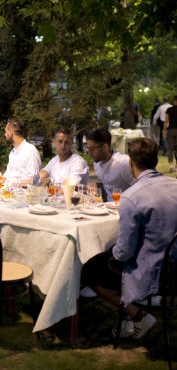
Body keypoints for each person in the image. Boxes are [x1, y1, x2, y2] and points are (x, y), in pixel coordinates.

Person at [82, 137, 177, 339]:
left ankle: (138, 314)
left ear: (131, 163)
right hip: (172, 270)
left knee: (89, 269)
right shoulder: (174, 186)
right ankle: (126, 323)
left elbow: (123, 253)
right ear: (154, 160)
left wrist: (111, 255)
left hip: (151, 275)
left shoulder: (131, 197)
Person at [86, 128, 134, 201]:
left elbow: (140, 187)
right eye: (88, 149)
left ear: (105, 147)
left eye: (92, 149)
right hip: (108, 207)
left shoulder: (124, 163)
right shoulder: (97, 164)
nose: (89, 153)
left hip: (127, 207)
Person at [3, 118, 41, 182]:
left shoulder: (31, 151)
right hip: (8, 190)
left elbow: (35, 180)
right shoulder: (13, 152)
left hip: (24, 191)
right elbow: (8, 174)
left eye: (6, 132)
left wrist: (17, 184)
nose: (5, 134)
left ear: (10, 133)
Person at [163, 95, 177, 173]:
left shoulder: (169, 109)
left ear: (174, 101)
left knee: (170, 148)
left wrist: (164, 130)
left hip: (171, 130)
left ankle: (171, 165)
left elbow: (166, 121)